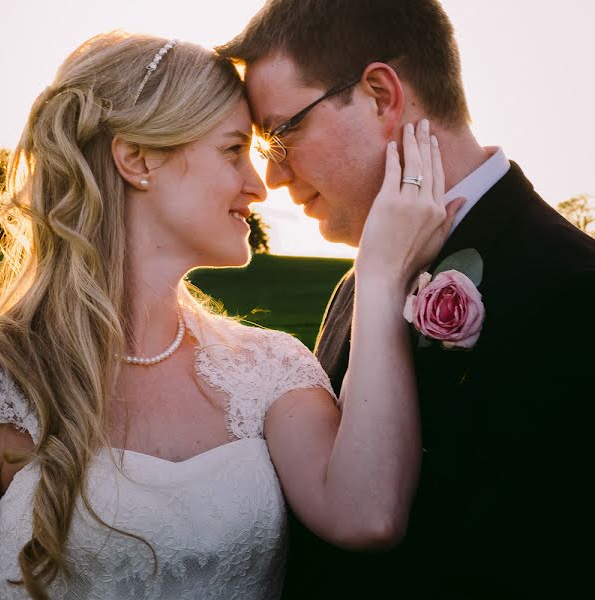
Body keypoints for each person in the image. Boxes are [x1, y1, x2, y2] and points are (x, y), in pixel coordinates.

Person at [0, 30, 457, 599]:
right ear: (137, 160)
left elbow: (368, 515)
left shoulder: (269, 369)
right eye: (234, 150)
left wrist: (380, 278)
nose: (258, 187)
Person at [219, 1, 595, 598]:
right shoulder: (354, 289)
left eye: (281, 133)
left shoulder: (576, 292)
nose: (276, 178)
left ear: (379, 96)